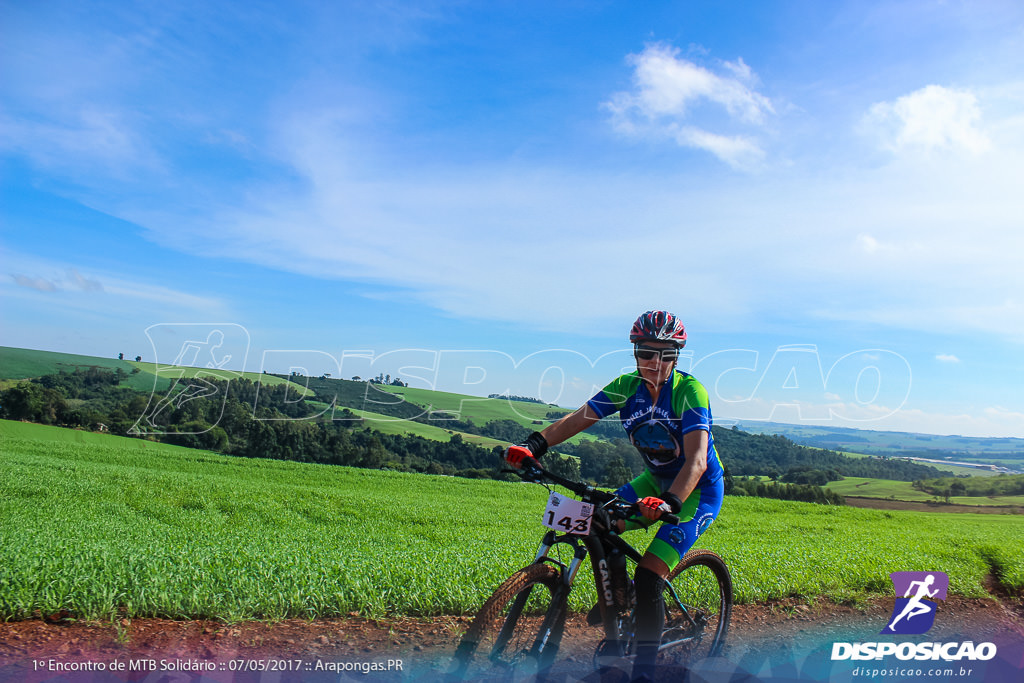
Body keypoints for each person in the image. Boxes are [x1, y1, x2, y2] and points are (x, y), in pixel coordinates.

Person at [504, 310, 725, 681]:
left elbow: (698, 459)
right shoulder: (627, 386)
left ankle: (643, 670)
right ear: (635, 352)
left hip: (695, 491)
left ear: (677, 355)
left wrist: (670, 503)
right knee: (595, 520)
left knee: (651, 575)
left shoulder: (689, 391)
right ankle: (618, 602)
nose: (655, 362)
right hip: (653, 480)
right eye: (646, 352)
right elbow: (579, 419)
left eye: (665, 353)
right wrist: (533, 445)